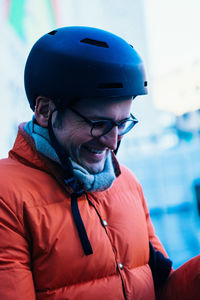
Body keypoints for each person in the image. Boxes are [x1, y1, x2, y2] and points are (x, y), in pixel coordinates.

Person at [0, 26, 199, 300]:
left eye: (122, 124)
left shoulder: (125, 181)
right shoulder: (6, 194)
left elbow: (161, 290)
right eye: (99, 124)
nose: (112, 142)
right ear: (45, 110)